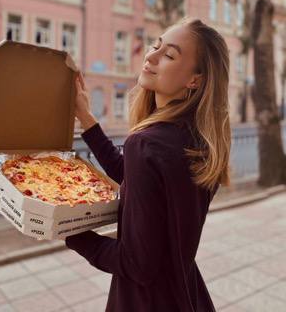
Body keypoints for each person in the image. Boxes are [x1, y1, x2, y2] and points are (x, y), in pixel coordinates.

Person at [65, 16, 231, 311]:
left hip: (144, 302)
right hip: (185, 291)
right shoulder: (201, 140)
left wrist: (69, 230)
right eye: (156, 46)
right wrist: (88, 121)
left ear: (195, 79)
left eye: (168, 55)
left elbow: (137, 264)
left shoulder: (148, 143)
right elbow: (136, 180)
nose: (151, 56)